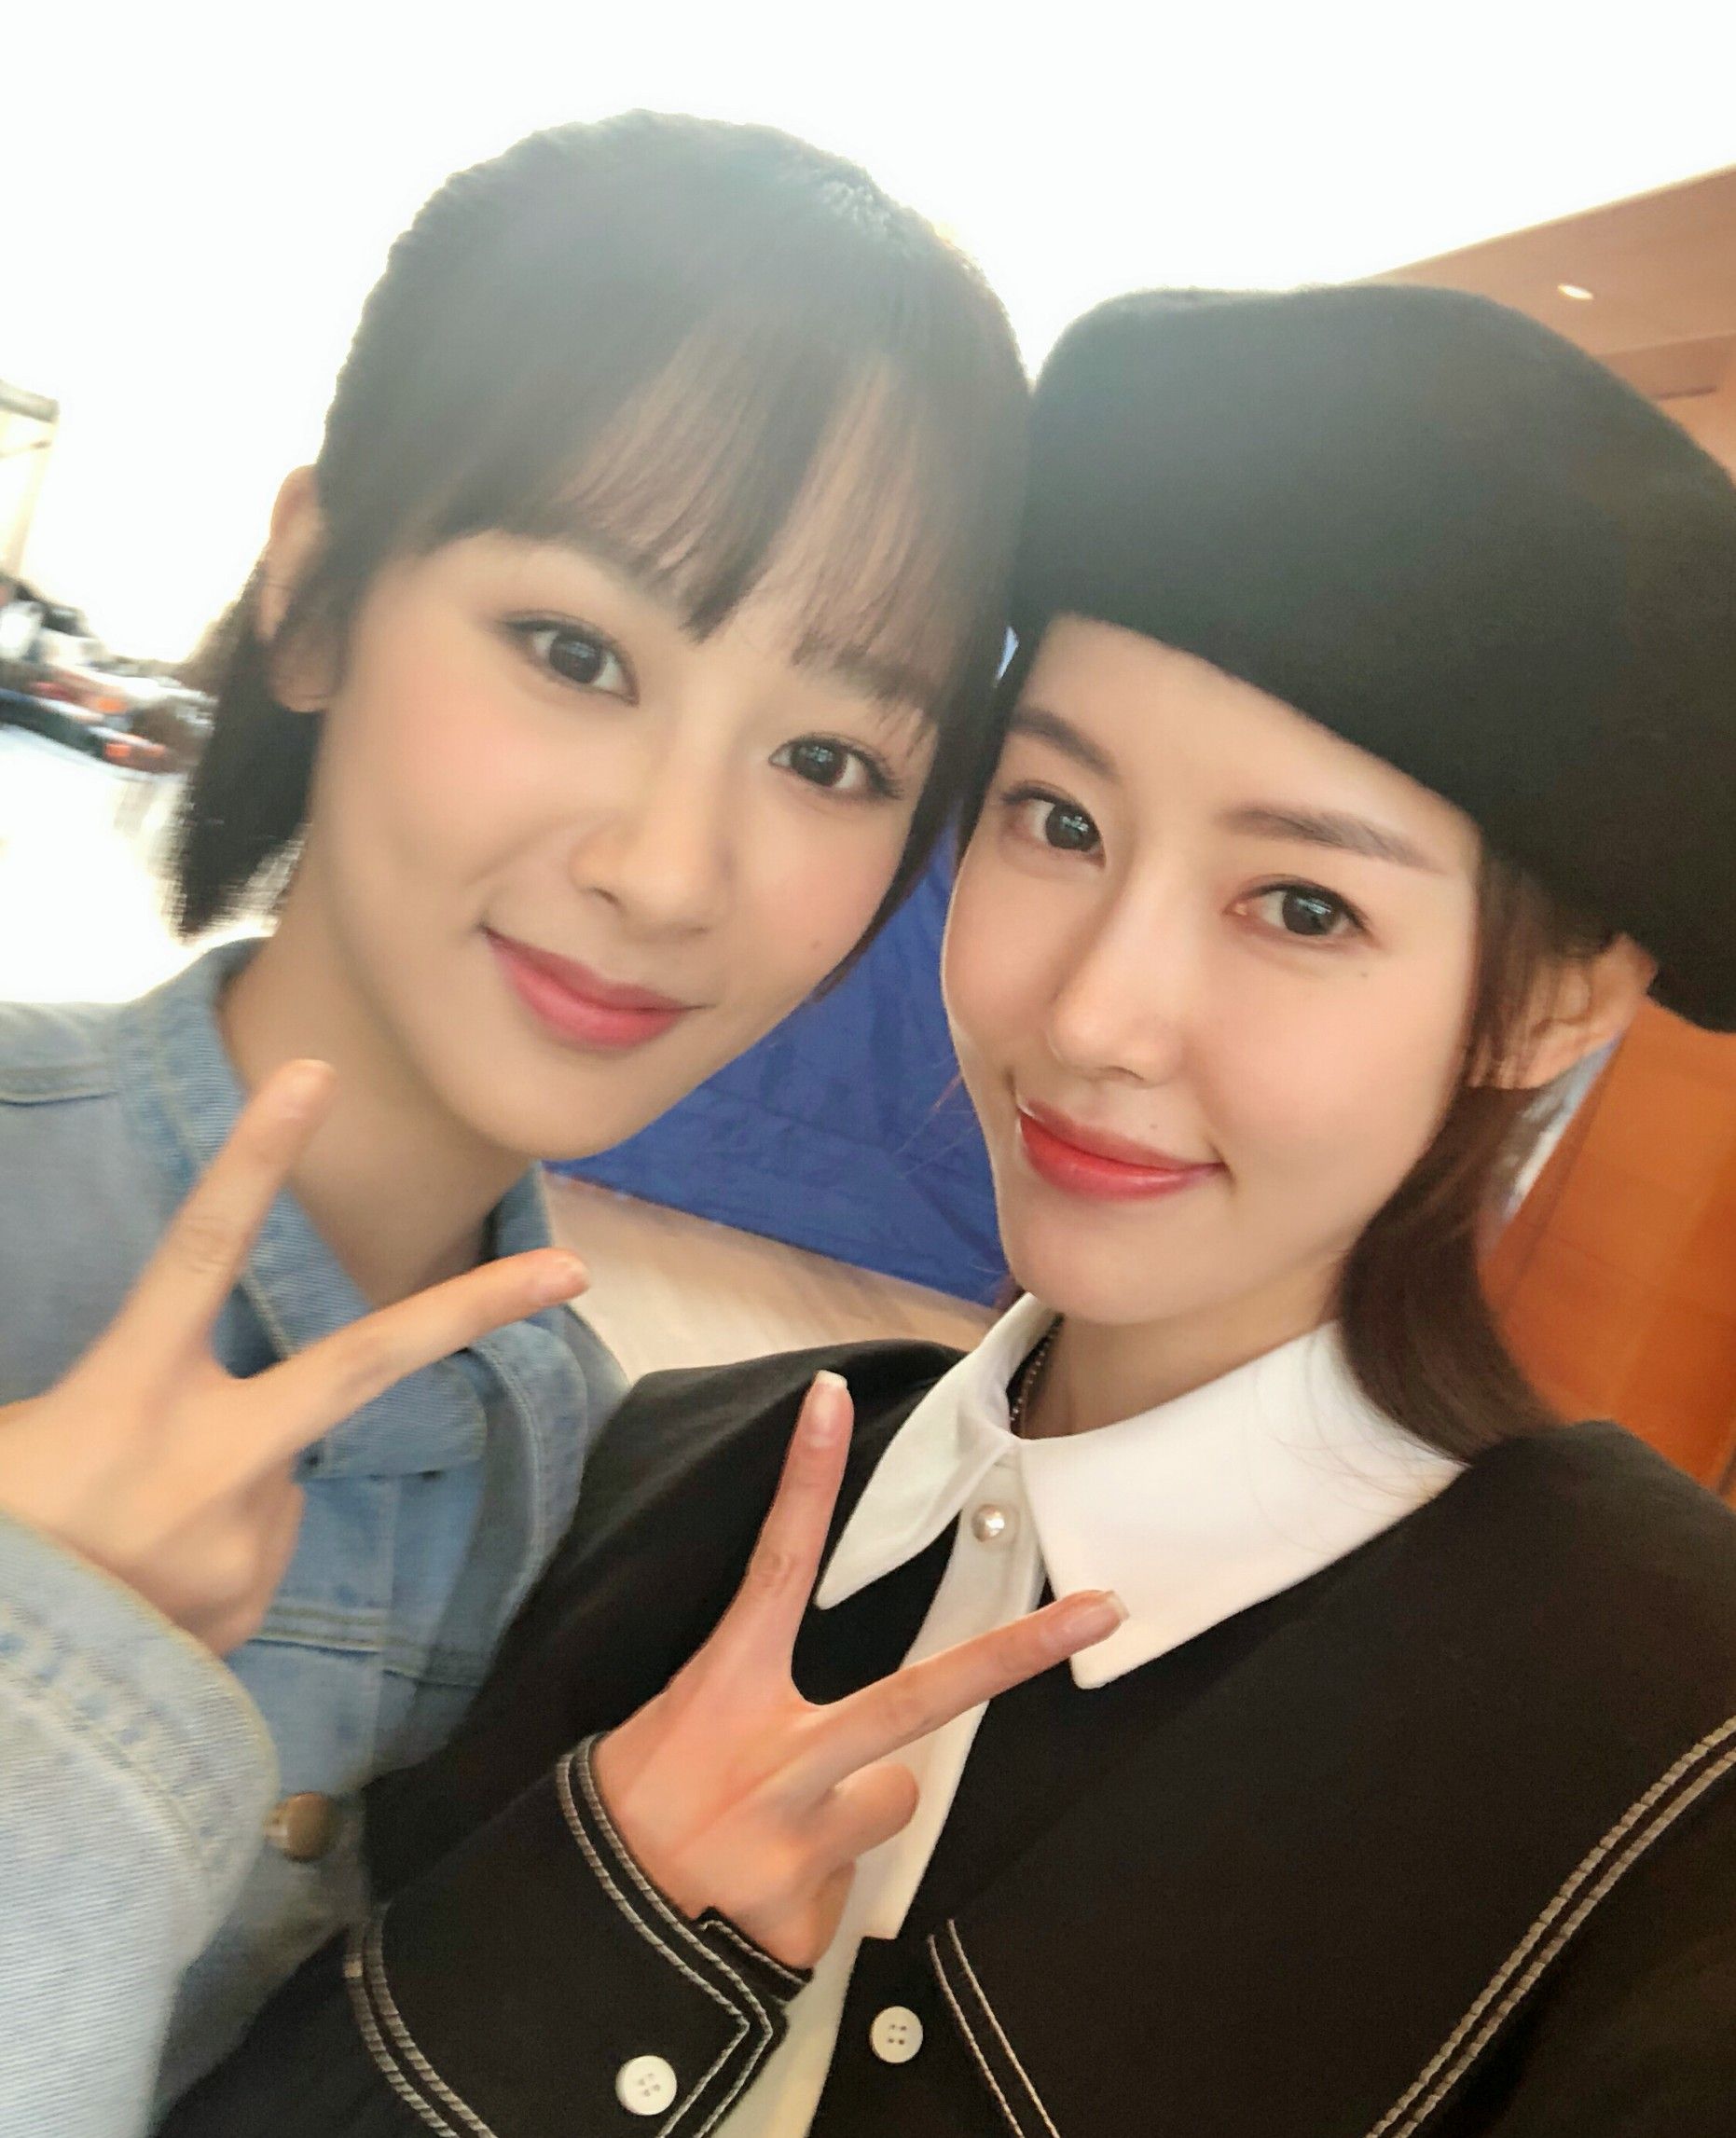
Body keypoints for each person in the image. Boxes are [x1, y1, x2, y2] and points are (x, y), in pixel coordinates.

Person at [167, 284, 1736, 2136]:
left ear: (1553, 1003)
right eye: (1058, 820)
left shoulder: (1666, 1767)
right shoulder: (669, 1472)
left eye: (1302, 906)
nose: (1092, 1014)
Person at [0, 111, 1047, 2136]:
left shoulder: (566, 1446)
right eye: (576, 652)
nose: (671, 867)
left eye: (829, 757)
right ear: (316, 591)